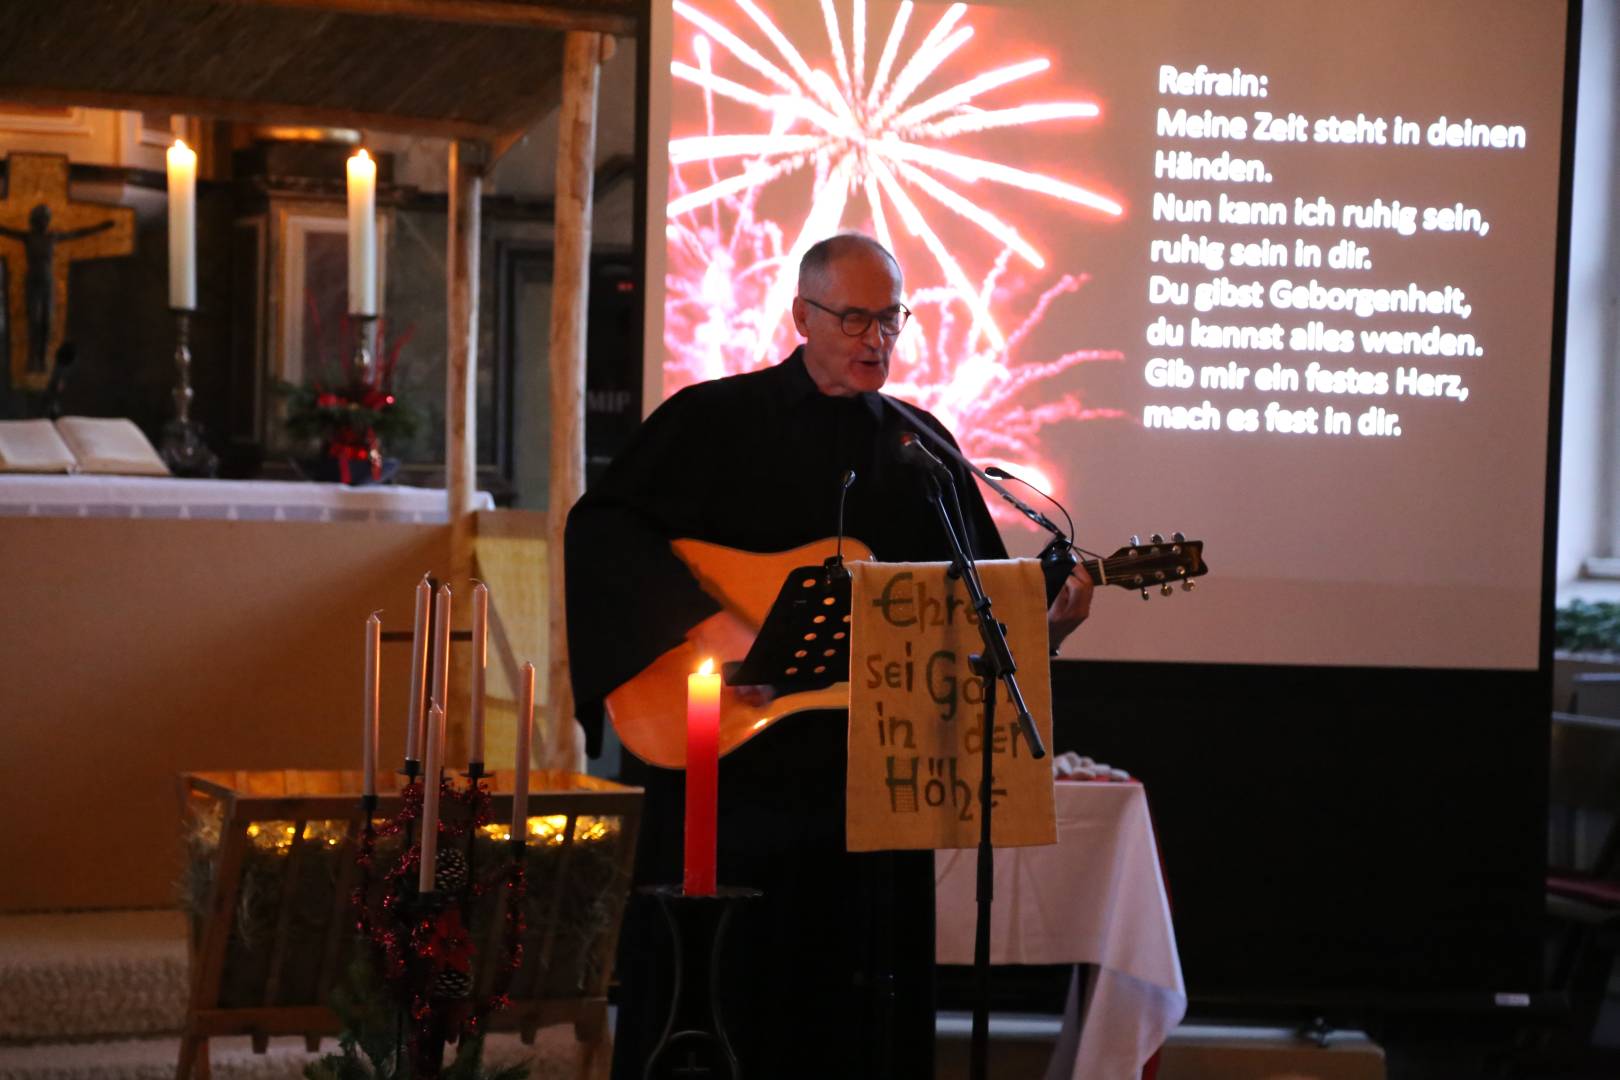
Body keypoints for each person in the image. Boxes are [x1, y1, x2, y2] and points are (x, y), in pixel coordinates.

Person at [564, 233, 1093, 1078]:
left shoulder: (925, 454)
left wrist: (1052, 622)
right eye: (853, 318)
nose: (874, 338)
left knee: (857, 1029)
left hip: (870, 802)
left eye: (890, 319)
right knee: (728, 1009)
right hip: (733, 789)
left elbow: (978, 618)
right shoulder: (711, 421)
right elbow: (600, 532)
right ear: (802, 316)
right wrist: (716, 626)